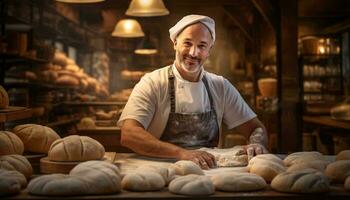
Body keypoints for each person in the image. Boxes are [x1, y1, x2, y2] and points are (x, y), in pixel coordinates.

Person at [117, 14, 268, 169]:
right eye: (187, 43)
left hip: (209, 173)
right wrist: (183, 153)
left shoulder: (220, 86)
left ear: (209, 50)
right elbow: (129, 134)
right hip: (159, 172)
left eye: (202, 46)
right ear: (175, 43)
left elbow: (256, 128)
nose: (193, 53)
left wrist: (256, 144)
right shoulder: (153, 83)